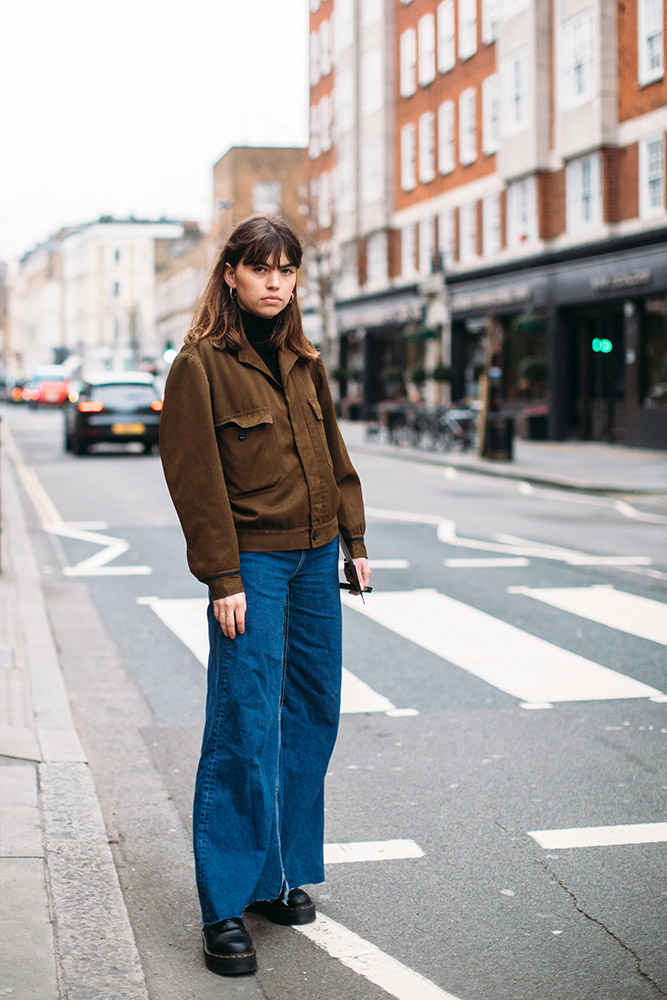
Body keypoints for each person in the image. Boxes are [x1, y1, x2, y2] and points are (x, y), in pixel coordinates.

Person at [159, 214, 370, 977]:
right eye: (261, 268)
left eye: (286, 269)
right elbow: (194, 480)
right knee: (244, 724)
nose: (275, 282)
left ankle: (274, 876)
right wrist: (223, 576)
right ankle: (222, 905)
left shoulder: (302, 359)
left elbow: (333, 453)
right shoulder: (199, 365)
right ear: (231, 275)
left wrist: (354, 537)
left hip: (316, 559)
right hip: (253, 565)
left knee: (309, 715)